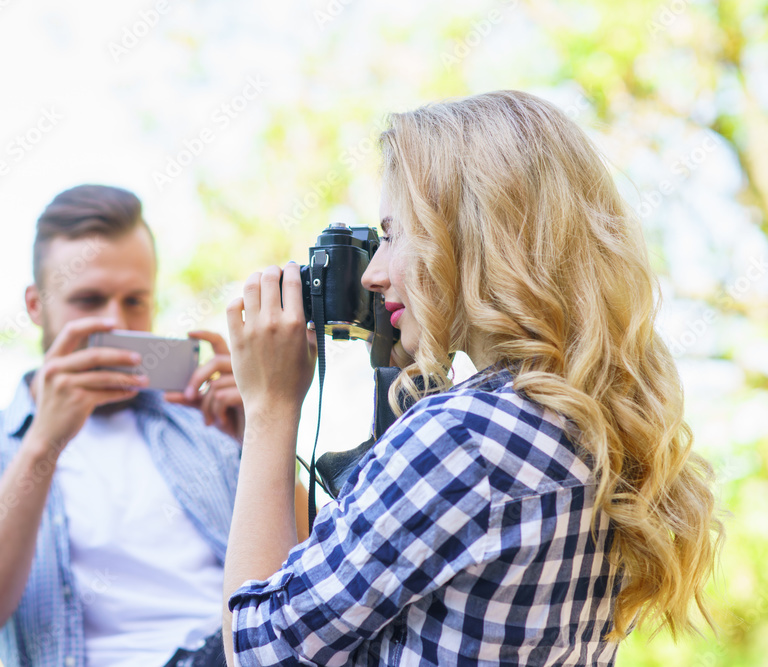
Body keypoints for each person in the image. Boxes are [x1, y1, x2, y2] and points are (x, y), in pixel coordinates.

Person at [221, 91, 722, 665]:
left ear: (475, 234)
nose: (375, 275)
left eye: (394, 234)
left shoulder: (463, 440)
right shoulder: (595, 431)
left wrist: (269, 408)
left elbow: (258, 649)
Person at [0, 184, 306, 667]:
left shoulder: (206, 425)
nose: (116, 322)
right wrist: (43, 444)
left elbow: (311, 590)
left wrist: (262, 431)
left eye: (135, 301)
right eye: (90, 300)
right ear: (36, 305)